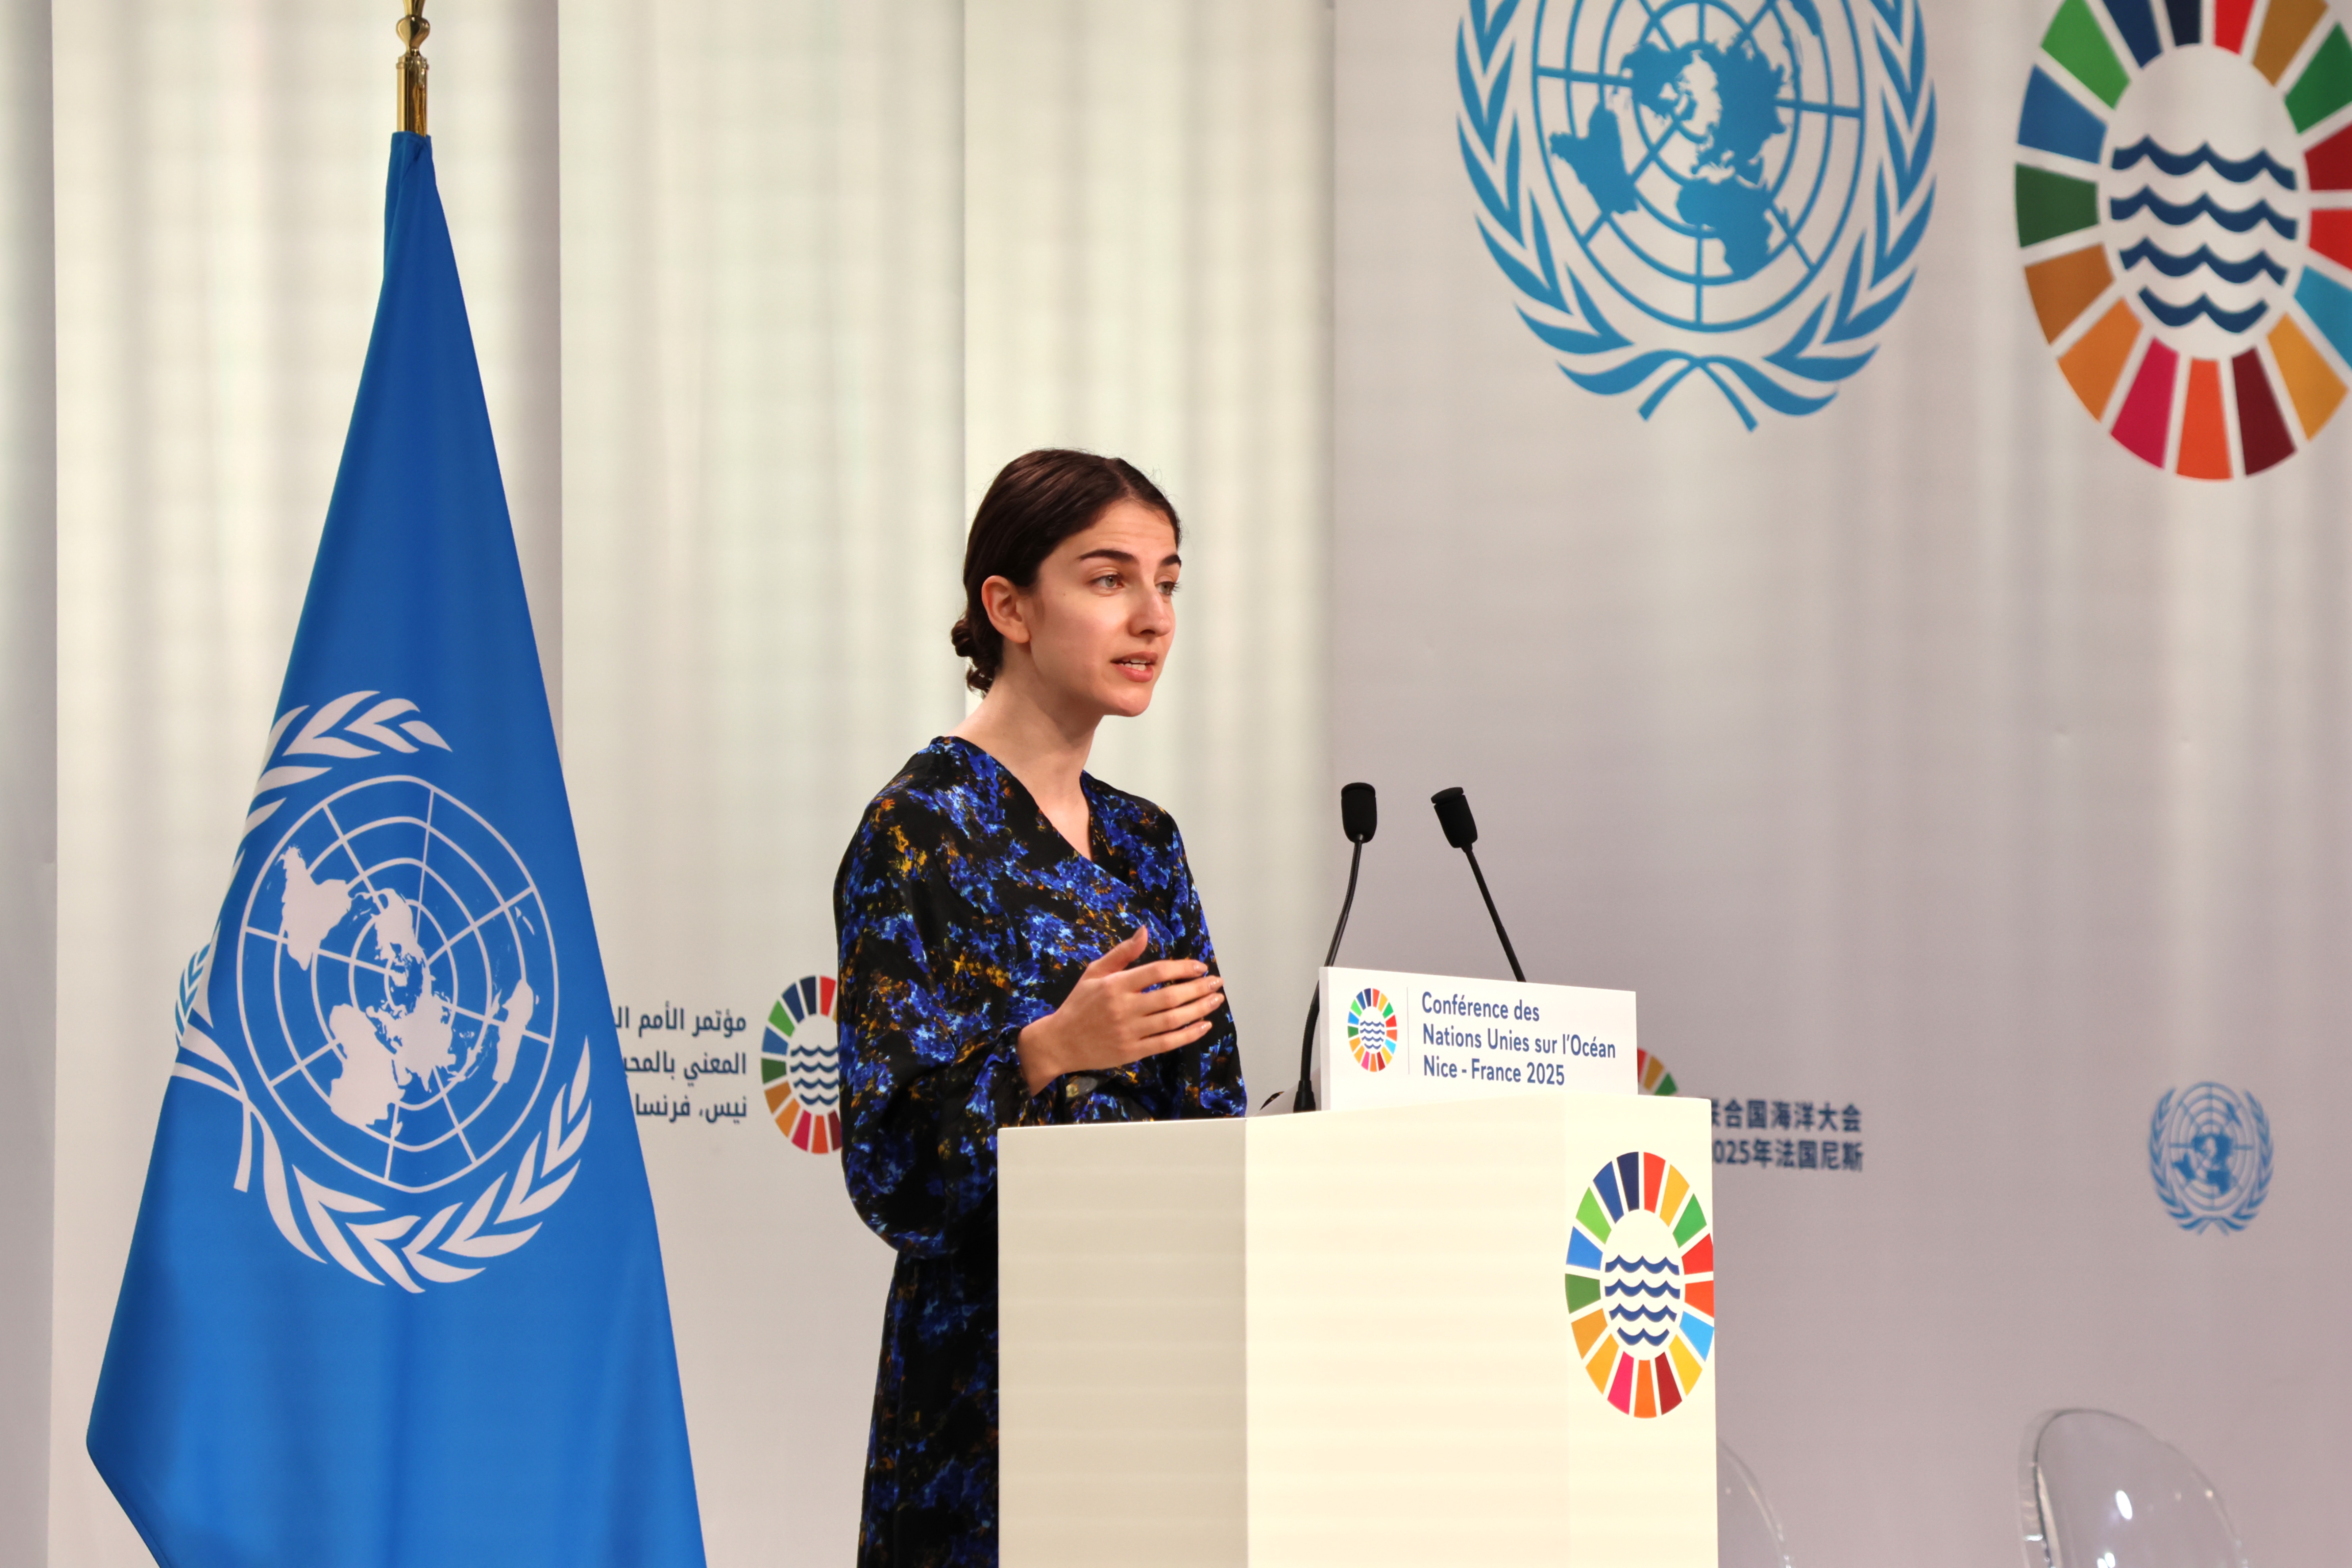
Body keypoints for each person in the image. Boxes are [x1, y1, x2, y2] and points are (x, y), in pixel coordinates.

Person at [833, 449, 1248, 1567]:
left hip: (1152, 1363)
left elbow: (1212, 1111)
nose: (1153, 617)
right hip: (990, 1386)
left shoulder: (1145, 841)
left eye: (1168, 582)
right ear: (1009, 607)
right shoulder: (918, 829)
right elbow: (889, 1164)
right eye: (1110, 579)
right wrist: (1046, 1054)